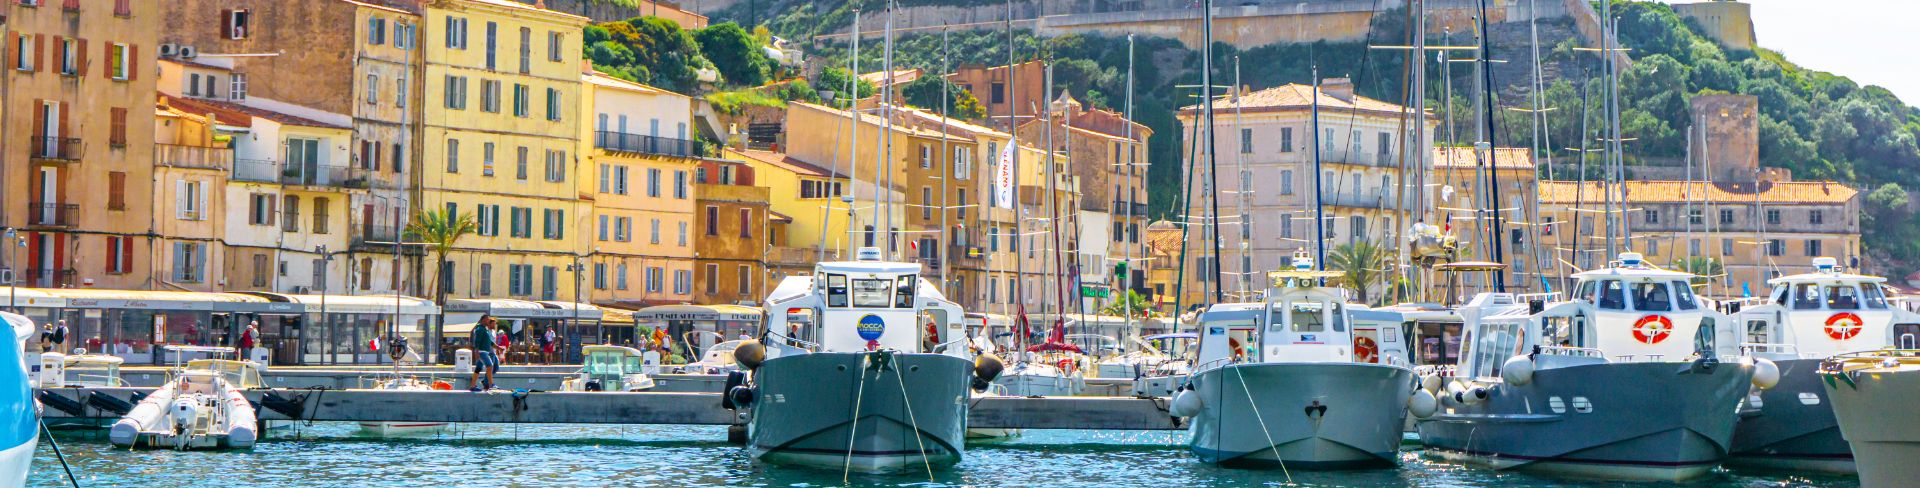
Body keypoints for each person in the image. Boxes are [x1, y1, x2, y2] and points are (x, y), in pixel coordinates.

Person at [470, 315, 500, 391]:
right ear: (483, 320)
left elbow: (490, 342)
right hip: (481, 352)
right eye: (487, 320)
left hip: (483, 352)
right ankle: (491, 385)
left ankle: (473, 386)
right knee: (490, 366)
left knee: (478, 369)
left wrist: (498, 348)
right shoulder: (480, 329)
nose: (488, 321)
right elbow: (477, 341)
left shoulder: (484, 329)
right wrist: (476, 352)